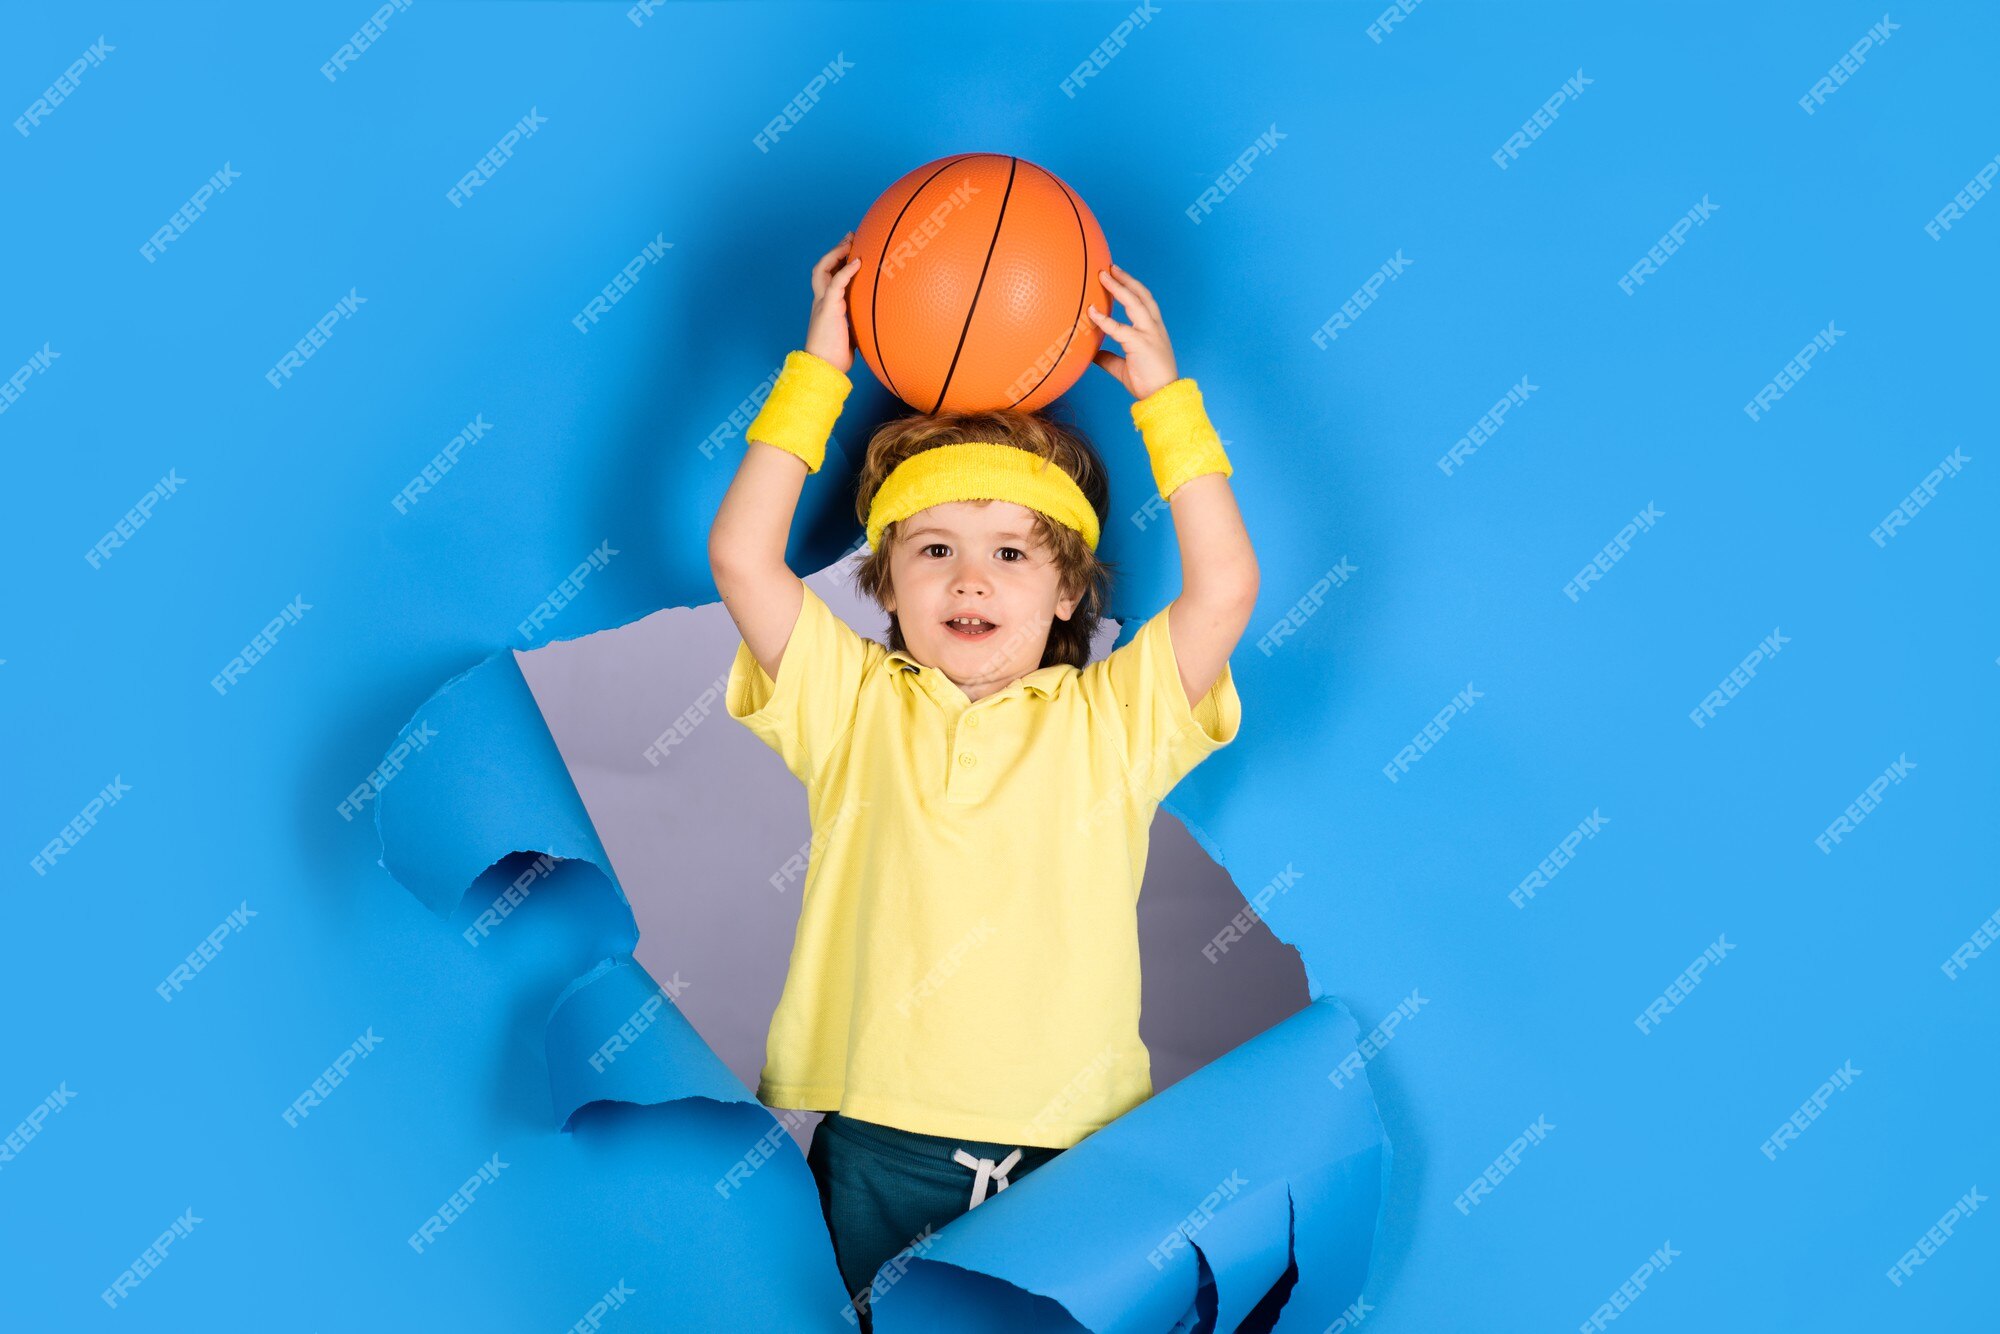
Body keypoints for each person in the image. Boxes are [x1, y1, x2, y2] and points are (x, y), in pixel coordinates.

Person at [707, 232, 1258, 1328]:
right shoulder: (850, 704)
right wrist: (816, 373)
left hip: (1070, 1139)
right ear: (886, 585)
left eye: (1013, 552)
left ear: (1067, 594)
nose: (970, 575)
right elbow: (740, 555)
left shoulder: (1114, 720)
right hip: (879, 1131)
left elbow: (1224, 586)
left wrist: (1163, 400)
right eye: (933, 549)